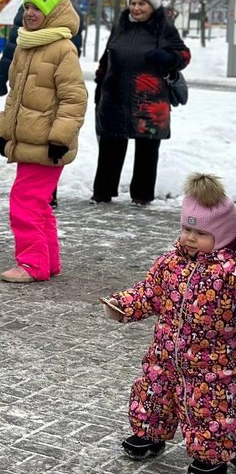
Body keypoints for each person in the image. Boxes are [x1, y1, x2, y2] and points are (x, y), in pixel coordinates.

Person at [102, 172, 236, 474]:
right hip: (165, 353)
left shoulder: (229, 273)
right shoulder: (170, 263)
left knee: (210, 411)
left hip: (212, 363)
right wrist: (123, 305)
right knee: (153, 392)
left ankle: (211, 456)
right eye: (187, 229)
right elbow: (149, 292)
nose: (190, 238)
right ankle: (149, 433)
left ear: (223, 235)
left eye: (200, 234)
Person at [0, 0, 87, 283]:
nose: (30, 13)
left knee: (24, 201)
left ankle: (32, 264)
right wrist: (4, 131)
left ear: (53, 12)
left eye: (38, 8)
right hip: (29, 141)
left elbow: (75, 98)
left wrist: (60, 138)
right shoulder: (26, 45)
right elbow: (15, 96)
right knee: (37, 203)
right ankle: (48, 261)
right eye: (27, 7)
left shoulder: (62, 48)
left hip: (48, 143)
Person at [92, 0, 190, 206]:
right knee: (110, 145)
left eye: (142, 3)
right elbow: (107, 59)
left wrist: (169, 58)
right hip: (115, 96)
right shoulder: (121, 26)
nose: (136, 8)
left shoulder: (165, 29)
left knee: (147, 149)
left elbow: (184, 55)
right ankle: (102, 193)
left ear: (153, 6)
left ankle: (142, 195)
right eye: (133, 3)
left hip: (149, 101)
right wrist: (100, 85)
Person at [0, 0, 66, 97]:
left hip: (38, 88)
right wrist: (1, 78)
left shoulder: (27, 10)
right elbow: (14, 45)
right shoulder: (66, 12)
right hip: (34, 88)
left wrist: (0, 79)